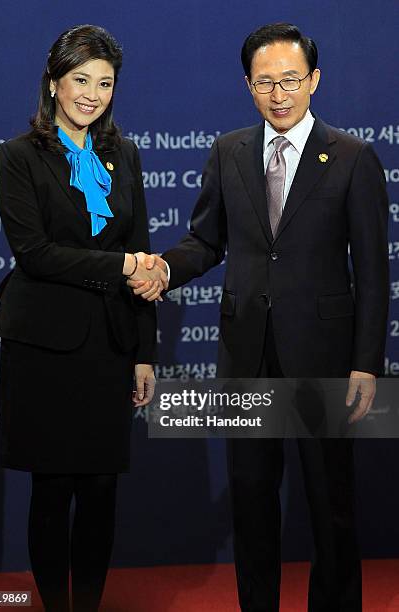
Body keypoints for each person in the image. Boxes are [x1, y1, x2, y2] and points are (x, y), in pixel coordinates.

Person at [129, 23, 389, 612]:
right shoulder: (229, 151)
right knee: (250, 500)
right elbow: (205, 240)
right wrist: (166, 269)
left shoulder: (352, 157)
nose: (279, 93)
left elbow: (373, 272)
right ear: (248, 86)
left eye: (290, 80)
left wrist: (366, 363)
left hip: (323, 360)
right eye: (265, 82)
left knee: (331, 505)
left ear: (314, 81)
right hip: (246, 355)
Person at [0, 24, 166, 612]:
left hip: (110, 346)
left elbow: (142, 255)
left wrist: (144, 352)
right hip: (43, 345)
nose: (92, 94)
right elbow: (35, 254)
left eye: (105, 83)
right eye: (80, 80)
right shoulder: (18, 156)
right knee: (53, 487)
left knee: (100, 491)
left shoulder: (125, 154)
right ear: (54, 83)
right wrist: (121, 264)